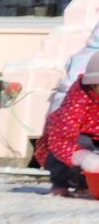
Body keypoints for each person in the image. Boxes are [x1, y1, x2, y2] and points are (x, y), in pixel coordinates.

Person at [33, 51, 99, 197]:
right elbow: (61, 137)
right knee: (79, 146)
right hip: (65, 142)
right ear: (93, 84)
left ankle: (88, 185)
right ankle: (61, 183)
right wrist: (84, 158)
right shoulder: (79, 98)